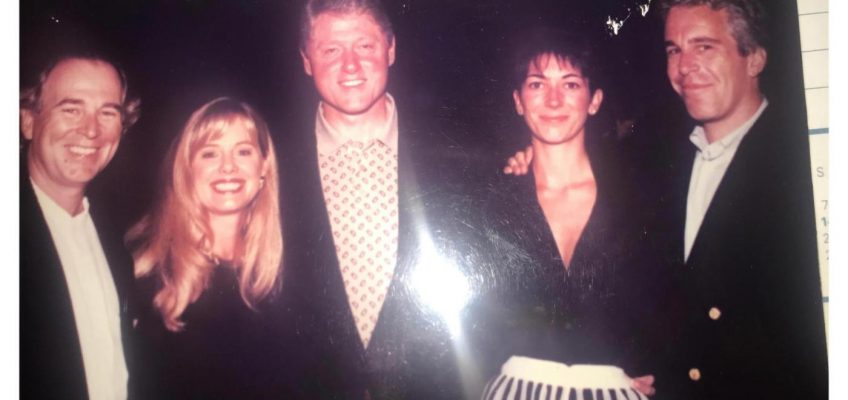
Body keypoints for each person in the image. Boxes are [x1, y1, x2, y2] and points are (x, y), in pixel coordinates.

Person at [275, 0, 478, 398]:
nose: (350, 65)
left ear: (391, 49)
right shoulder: (272, 163)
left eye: (365, 46)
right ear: (306, 60)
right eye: (331, 50)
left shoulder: (457, 155)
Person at [470, 28, 663, 399]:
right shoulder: (491, 204)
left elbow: (669, 298)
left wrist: (656, 367)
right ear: (518, 101)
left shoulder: (638, 199)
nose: (554, 100)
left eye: (571, 84)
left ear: (595, 100)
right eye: (537, 84)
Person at [649, 0, 828, 398]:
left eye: (704, 46)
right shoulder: (660, 167)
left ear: (755, 59)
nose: (684, 66)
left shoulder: (808, 164)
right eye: (674, 50)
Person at [126, 97, 285, 399]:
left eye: (243, 151)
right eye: (210, 153)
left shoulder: (276, 271)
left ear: (264, 166)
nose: (228, 166)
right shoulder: (148, 267)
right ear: (187, 168)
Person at [20, 54, 141, 399]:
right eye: (71, 109)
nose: (91, 130)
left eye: (108, 113)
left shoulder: (117, 235)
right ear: (28, 121)